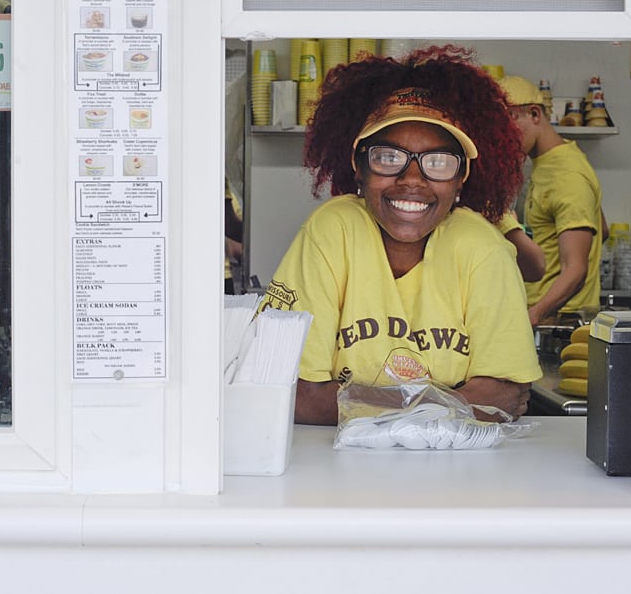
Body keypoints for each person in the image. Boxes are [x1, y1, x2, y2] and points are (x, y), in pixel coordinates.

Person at [259, 45, 541, 426]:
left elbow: (501, 398)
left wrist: (351, 403)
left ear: (462, 179)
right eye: (389, 158)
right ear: (359, 168)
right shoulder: (332, 232)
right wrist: (448, 402)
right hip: (336, 474)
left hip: (458, 477)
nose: (412, 180)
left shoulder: (483, 247)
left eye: (438, 162)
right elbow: (297, 398)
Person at [498, 75, 605, 326]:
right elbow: (603, 229)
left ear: (534, 114)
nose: (502, 141)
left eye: (506, 129)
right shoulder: (555, 161)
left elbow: (576, 270)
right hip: (547, 315)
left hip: (559, 322)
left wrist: (532, 317)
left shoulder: (566, 175)